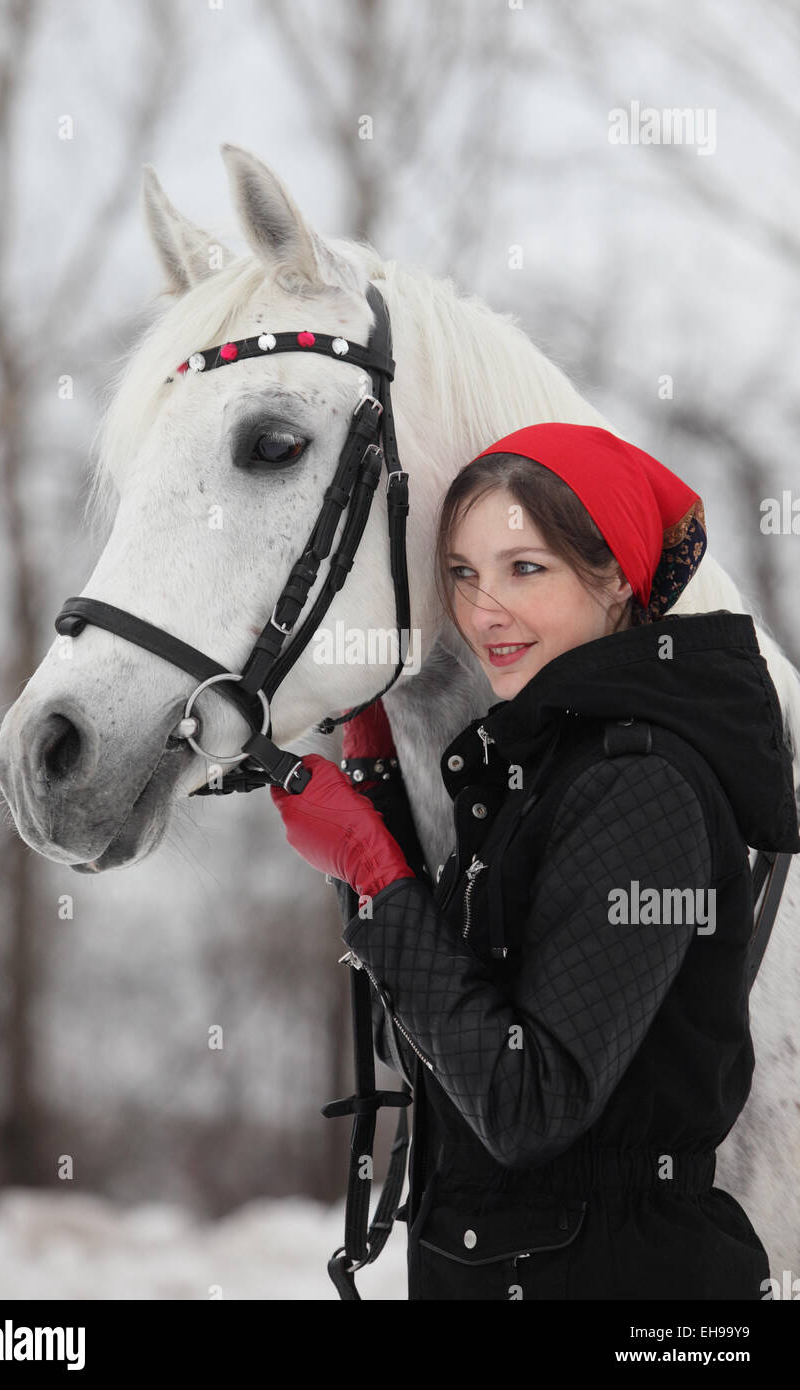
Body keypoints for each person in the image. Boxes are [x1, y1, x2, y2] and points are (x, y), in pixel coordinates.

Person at [270, 422, 800, 1301]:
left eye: (527, 568)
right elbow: (439, 1056)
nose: (485, 610)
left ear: (615, 578)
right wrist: (378, 809)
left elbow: (524, 1105)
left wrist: (378, 875)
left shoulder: (643, 783)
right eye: (463, 574)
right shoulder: (538, 773)